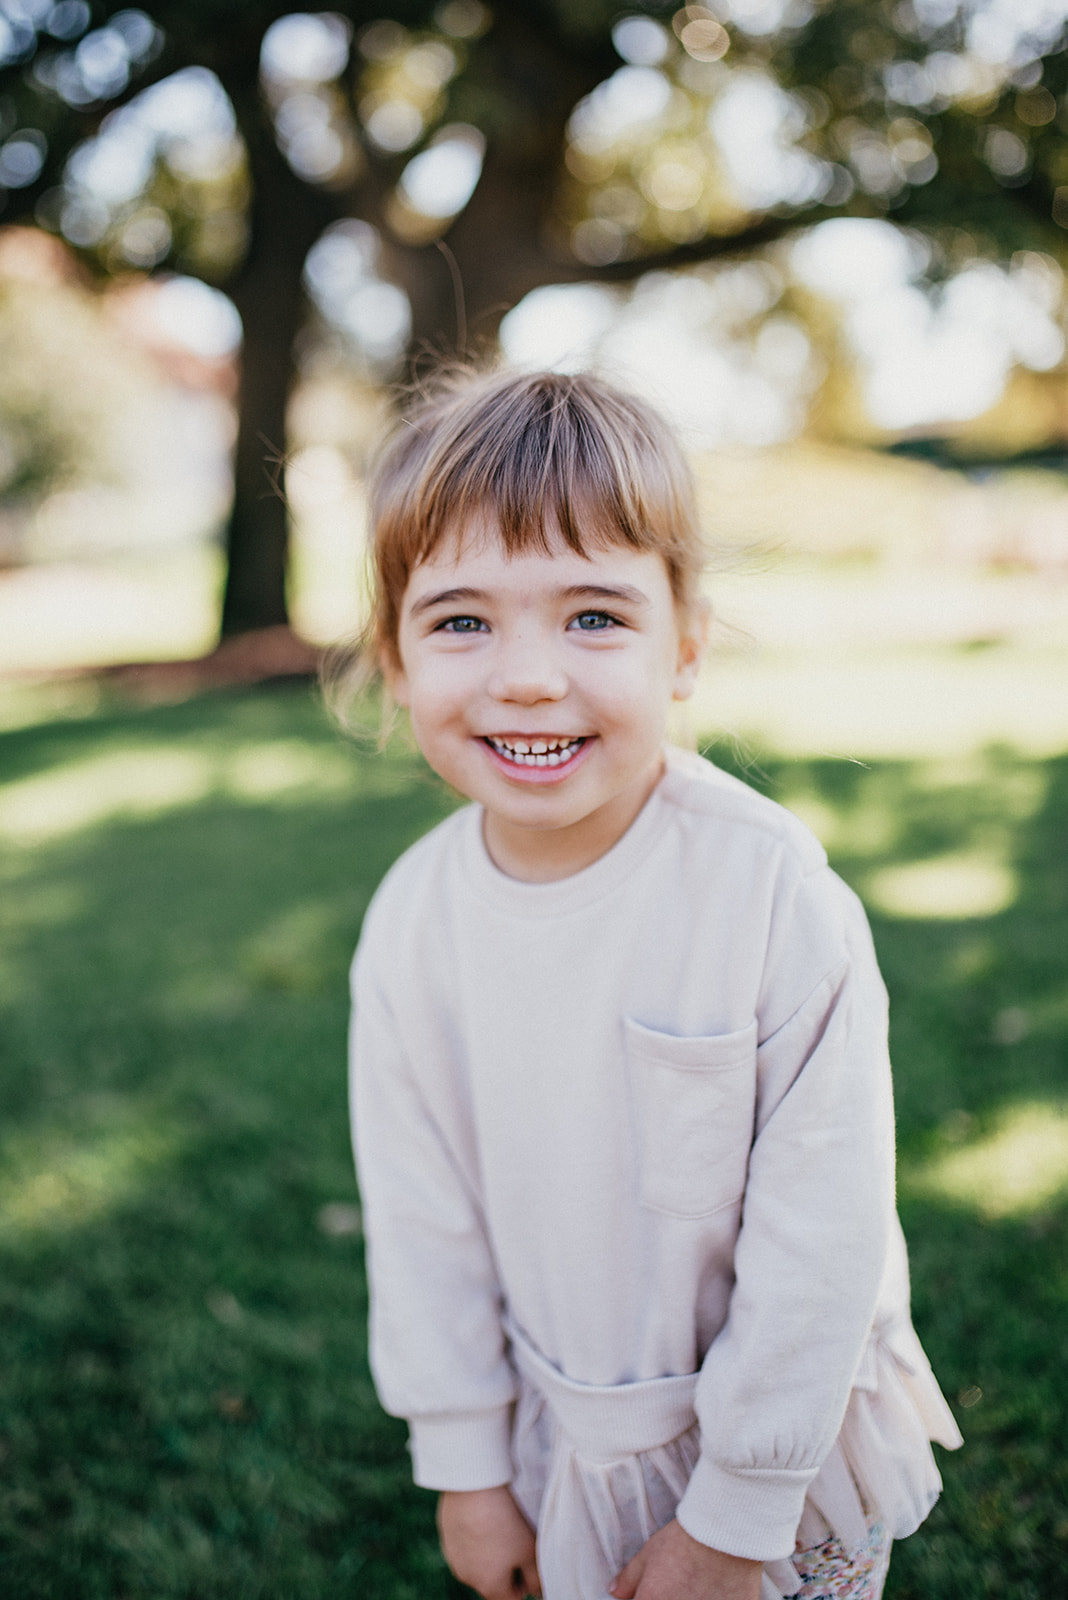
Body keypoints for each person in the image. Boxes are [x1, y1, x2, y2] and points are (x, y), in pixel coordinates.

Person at [343, 367, 962, 1600]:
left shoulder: (766, 889)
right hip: (560, 1432)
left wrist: (736, 1519)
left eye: (593, 617)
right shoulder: (413, 923)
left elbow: (821, 1235)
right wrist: (466, 1467)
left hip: (770, 1456)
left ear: (685, 647)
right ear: (397, 660)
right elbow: (424, 1224)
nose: (525, 674)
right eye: (462, 620)